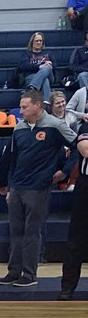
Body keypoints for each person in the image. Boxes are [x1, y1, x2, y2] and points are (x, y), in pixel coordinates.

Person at [0, 88, 75, 288]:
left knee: (31, 231)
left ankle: (29, 274)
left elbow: (77, 146)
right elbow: (12, 158)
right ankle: (13, 271)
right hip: (17, 186)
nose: (21, 111)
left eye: (24, 107)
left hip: (38, 186)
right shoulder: (19, 128)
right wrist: (6, 185)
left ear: (37, 105)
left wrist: (64, 171)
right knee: (15, 230)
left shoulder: (55, 125)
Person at [59, 117, 88, 299]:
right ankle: (68, 286)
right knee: (77, 237)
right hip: (86, 186)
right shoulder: (86, 126)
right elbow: (85, 150)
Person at [18, 31, 54, 104]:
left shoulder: (48, 53)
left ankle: (32, 88)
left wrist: (47, 64)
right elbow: (23, 66)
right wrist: (39, 66)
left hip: (49, 74)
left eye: (40, 41)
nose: (39, 42)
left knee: (47, 67)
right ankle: (46, 104)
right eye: (36, 41)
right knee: (45, 80)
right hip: (31, 77)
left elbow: (55, 65)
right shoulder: (26, 54)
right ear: (32, 42)